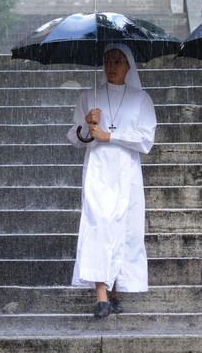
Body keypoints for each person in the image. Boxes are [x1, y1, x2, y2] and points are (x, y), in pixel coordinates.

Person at [67, 44, 157, 318]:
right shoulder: (89, 96)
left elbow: (146, 140)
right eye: (107, 61)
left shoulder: (141, 99)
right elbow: (75, 137)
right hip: (98, 169)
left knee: (124, 227)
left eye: (118, 61)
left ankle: (115, 290)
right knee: (99, 225)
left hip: (126, 171)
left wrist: (111, 136)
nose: (112, 66)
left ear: (129, 65)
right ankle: (101, 295)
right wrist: (87, 125)